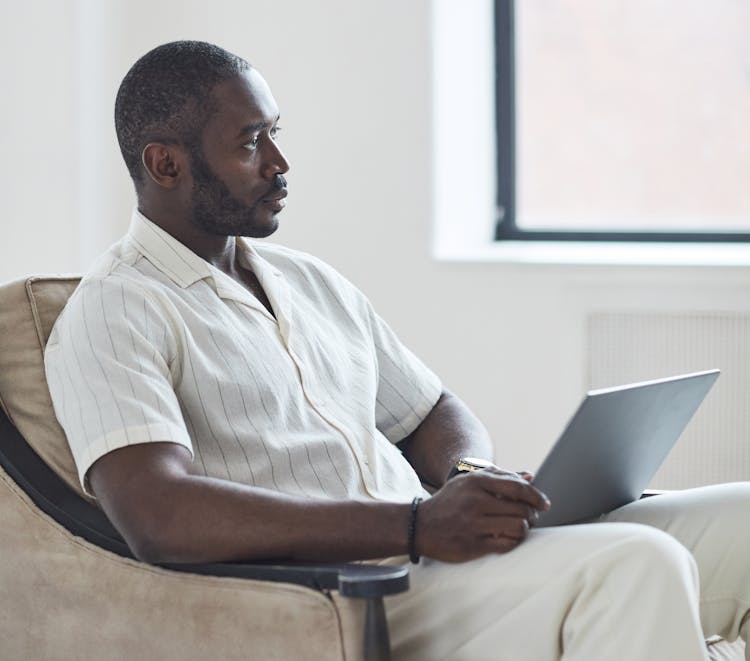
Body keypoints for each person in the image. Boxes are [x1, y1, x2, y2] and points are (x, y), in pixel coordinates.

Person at [45, 40, 750, 660]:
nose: (280, 163)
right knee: (637, 562)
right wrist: (414, 525)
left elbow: (431, 410)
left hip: (441, 552)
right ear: (166, 164)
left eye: (275, 134)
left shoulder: (308, 280)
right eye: (251, 141)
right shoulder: (114, 309)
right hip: (359, 595)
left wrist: (469, 476)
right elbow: (158, 515)